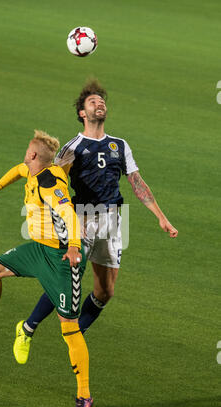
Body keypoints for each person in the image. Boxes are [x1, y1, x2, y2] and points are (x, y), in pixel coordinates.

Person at [12, 78, 178, 362]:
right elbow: (53, 182)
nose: (99, 104)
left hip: (113, 221)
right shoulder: (71, 148)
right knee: (67, 281)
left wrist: (161, 217)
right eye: (93, 101)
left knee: (105, 292)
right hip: (80, 219)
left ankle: (79, 331)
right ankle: (28, 328)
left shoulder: (119, 145)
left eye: (102, 101)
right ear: (82, 112)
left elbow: (136, 181)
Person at [0, 130, 93, 407]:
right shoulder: (34, 169)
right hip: (38, 250)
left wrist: (75, 247)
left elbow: (68, 214)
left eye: (28, 151)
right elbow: (17, 171)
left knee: (69, 328)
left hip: (62, 259)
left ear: (35, 155)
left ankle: (84, 394)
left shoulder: (51, 184)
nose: (25, 155)